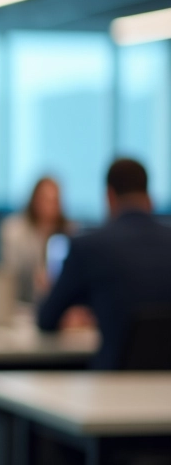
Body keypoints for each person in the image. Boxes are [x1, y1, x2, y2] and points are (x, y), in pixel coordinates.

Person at [38, 158, 171, 370]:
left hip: (112, 388)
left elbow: (46, 320)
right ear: (148, 196)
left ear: (109, 196)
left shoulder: (89, 246)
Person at [0, 176, 72, 302]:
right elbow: (8, 274)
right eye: (45, 200)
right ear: (34, 200)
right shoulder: (14, 231)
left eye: (54, 201)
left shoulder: (70, 233)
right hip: (21, 303)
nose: (50, 207)